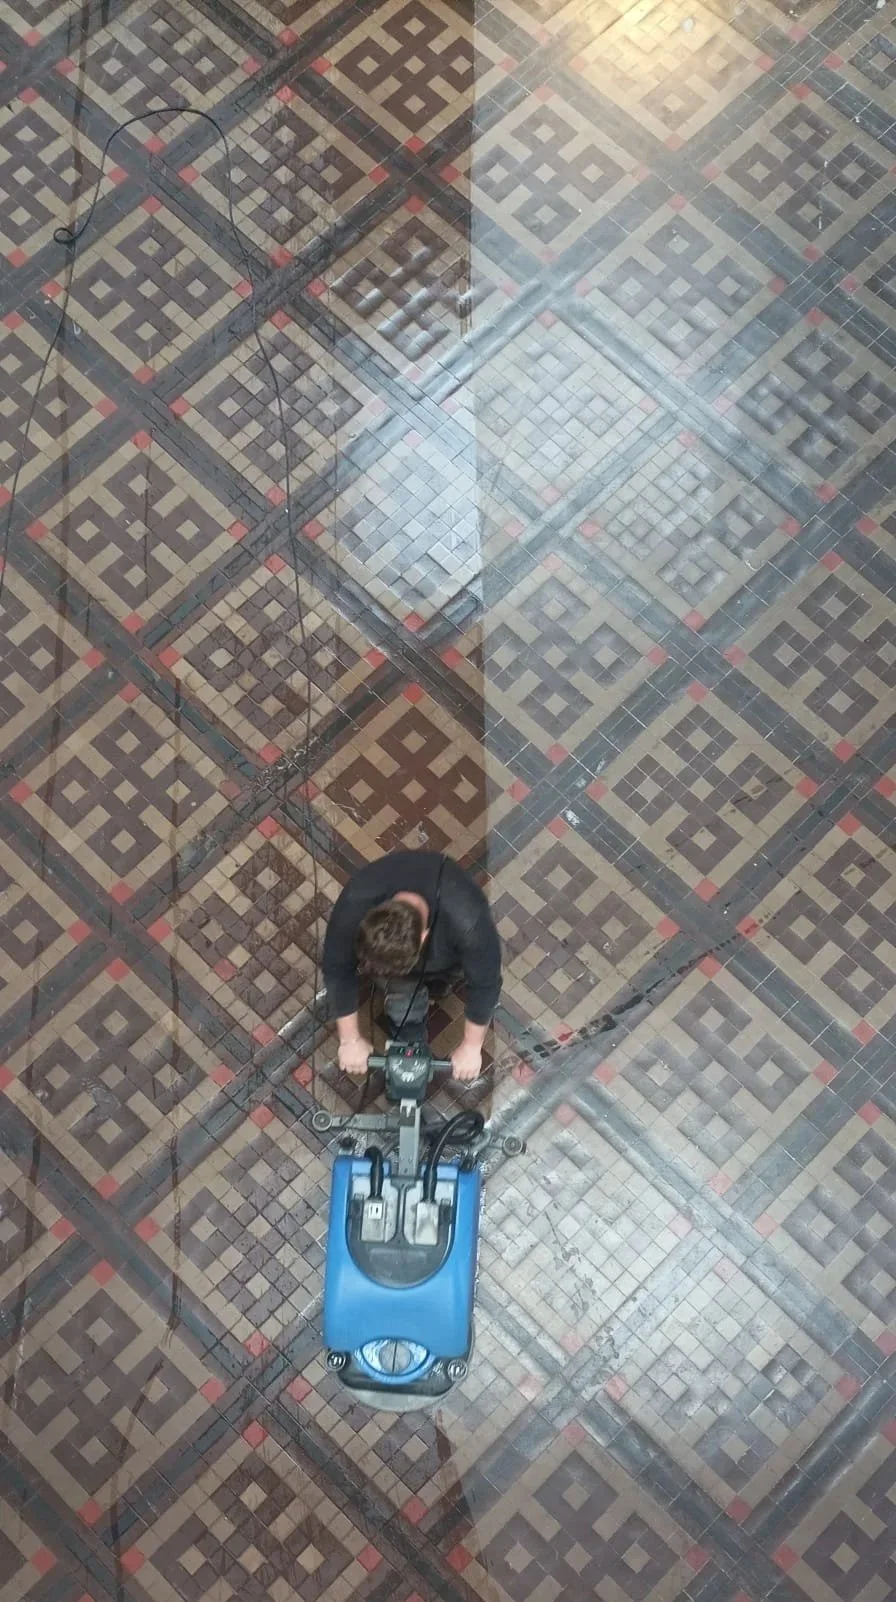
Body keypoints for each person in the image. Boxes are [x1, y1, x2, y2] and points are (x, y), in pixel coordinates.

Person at [321, 849, 501, 1083]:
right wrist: (350, 1040)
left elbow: (485, 985)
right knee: (402, 995)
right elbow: (337, 968)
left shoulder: (469, 923)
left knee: (453, 977)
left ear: (425, 937)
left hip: (450, 949)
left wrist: (471, 1048)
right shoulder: (356, 901)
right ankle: (408, 1025)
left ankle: (439, 985)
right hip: (423, 948)